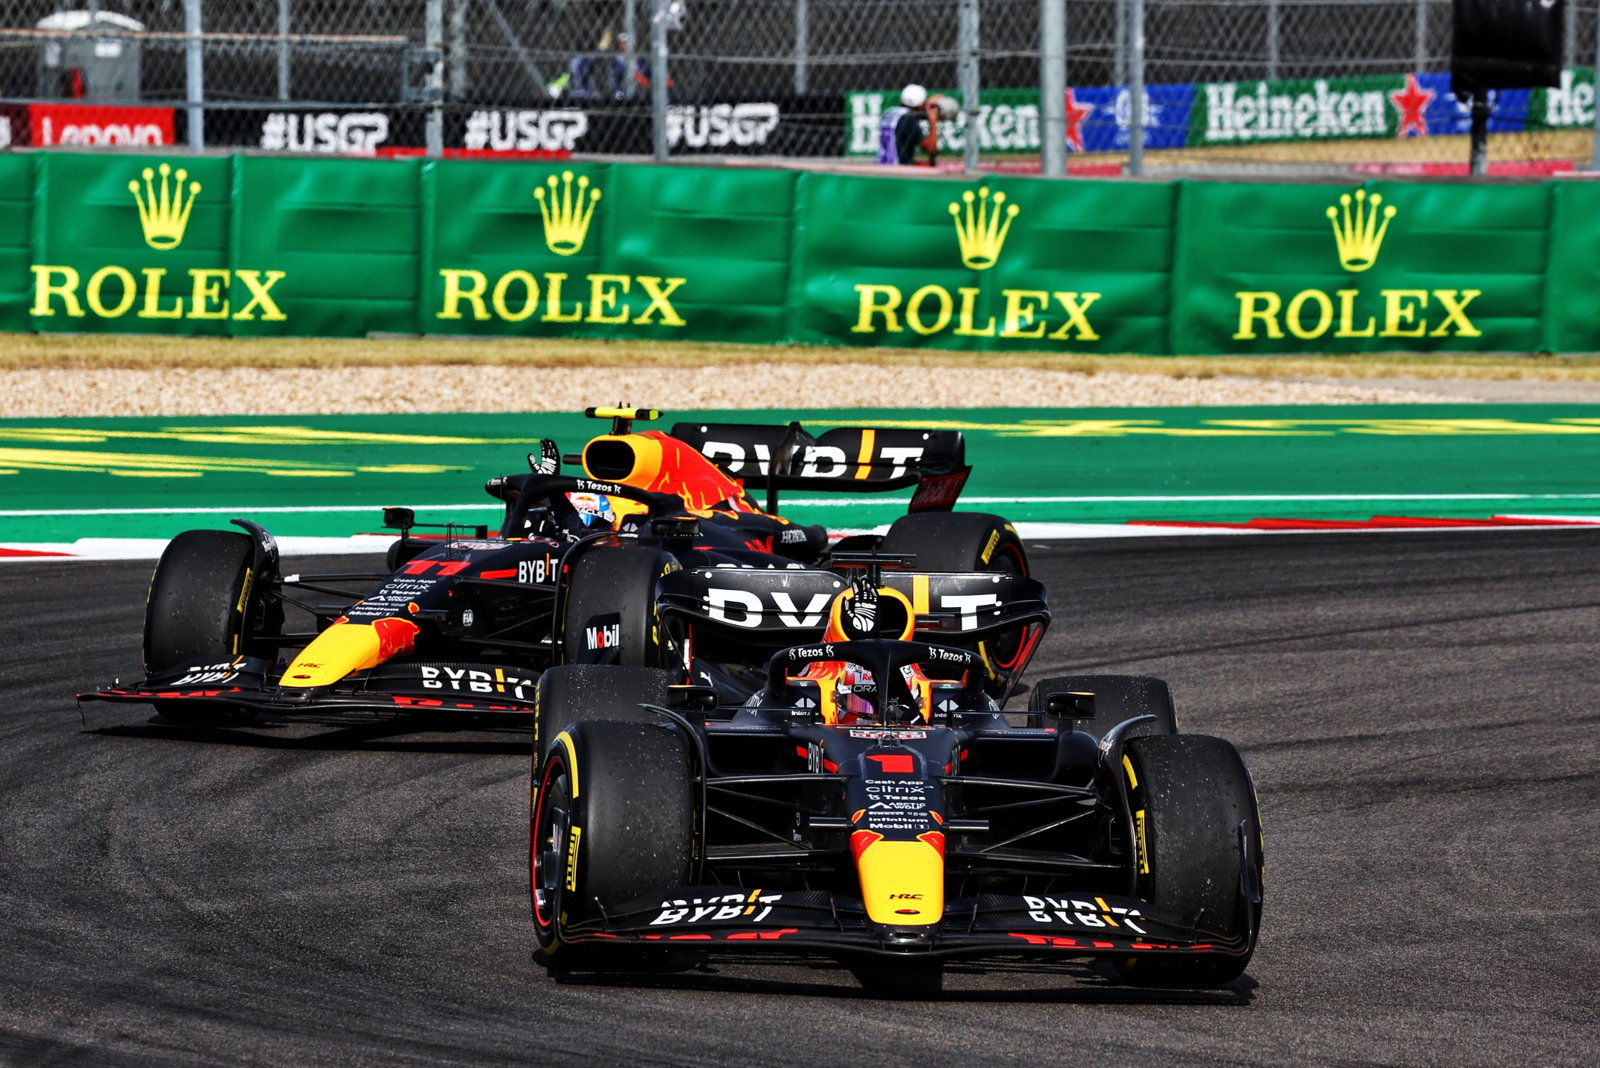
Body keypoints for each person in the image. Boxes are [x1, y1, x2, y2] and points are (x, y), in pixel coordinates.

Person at [877, 83, 942, 166]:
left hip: (883, 163)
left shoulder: (890, 112)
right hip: (898, 168)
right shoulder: (908, 119)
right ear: (922, 104)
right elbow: (931, 149)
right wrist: (933, 121)